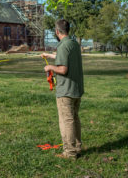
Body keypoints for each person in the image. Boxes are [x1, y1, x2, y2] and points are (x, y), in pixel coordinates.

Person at [42, 19, 84, 160]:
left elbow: (63, 69)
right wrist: (50, 56)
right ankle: (77, 147)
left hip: (66, 91)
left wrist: (50, 67)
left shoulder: (62, 46)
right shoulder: (73, 44)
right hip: (76, 89)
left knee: (67, 121)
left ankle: (70, 153)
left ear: (57, 31)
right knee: (74, 119)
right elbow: (65, 58)